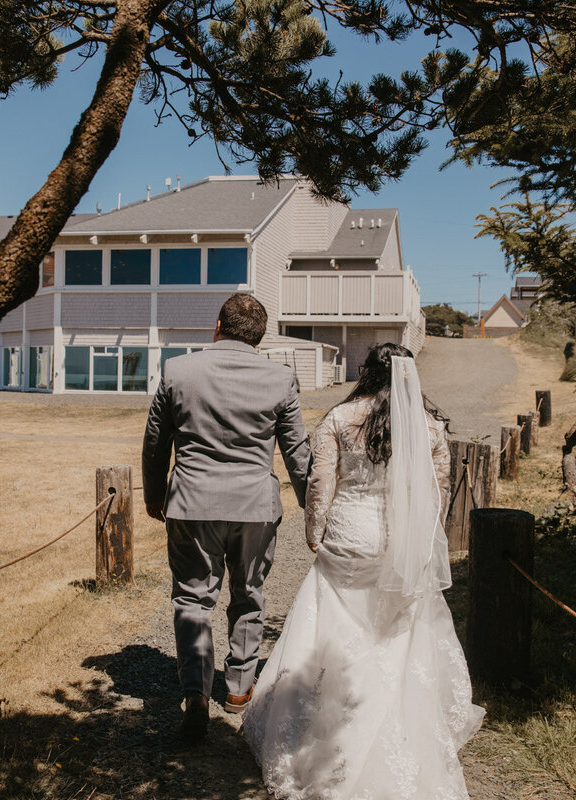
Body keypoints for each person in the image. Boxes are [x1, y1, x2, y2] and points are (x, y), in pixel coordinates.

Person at [243, 343, 484, 799]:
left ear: (367, 372)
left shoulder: (339, 418)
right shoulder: (428, 426)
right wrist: (421, 541)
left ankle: (328, 719)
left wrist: (315, 528)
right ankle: (398, 713)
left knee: (335, 623)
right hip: (400, 542)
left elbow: (321, 482)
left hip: (351, 536)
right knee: (394, 630)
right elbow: (439, 489)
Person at [142, 293, 312, 742]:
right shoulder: (281, 379)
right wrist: (313, 505)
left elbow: (156, 441)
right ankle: (239, 687)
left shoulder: (179, 371)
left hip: (192, 502)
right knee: (248, 591)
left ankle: (196, 692)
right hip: (255, 506)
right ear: (259, 336)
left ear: (218, 325)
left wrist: (154, 494)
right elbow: (297, 451)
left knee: (193, 598)